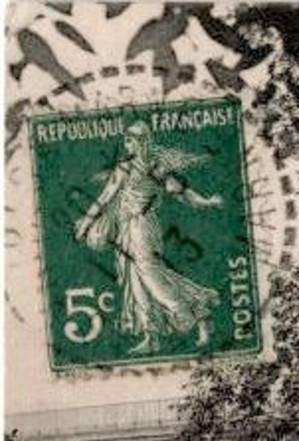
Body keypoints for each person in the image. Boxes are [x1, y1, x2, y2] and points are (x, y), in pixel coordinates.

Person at [73, 120, 224, 355]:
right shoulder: (125, 167)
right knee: (135, 282)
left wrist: (206, 202)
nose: (127, 144)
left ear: (142, 142)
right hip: (125, 229)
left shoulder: (155, 167)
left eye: (131, 140)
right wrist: (86, 223)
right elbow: (105, 198)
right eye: (126, 140)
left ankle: (192, 314)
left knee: (151, 275)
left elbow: (181, 192)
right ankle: (152, 336)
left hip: (142, 226)